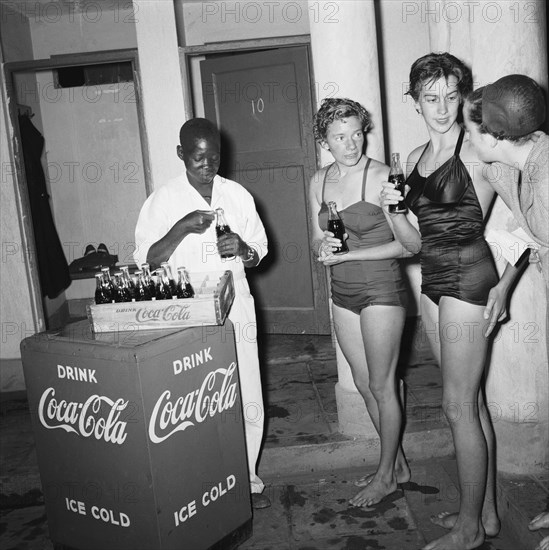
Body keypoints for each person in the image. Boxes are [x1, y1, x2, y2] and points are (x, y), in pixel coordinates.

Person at [381, 53, 504, 550]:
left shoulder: (476, 151)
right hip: (432, 277)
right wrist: (393, 212)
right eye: (431, 98)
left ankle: (469, 530)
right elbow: (412, 242)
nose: (443, 107)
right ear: (414, 101)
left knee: (457, 408)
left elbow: (525, 219)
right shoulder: (411, 160)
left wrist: (506, 283)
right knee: (470, 402)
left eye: (452, 96)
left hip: (470, 278)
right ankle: (487, 513)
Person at [134, 118, 271, 509]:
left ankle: (247, 480)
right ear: (181, 155)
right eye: (198, 158)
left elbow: (260, 252)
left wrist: (243, 248)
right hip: (184, 310)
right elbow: (145, 261)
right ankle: (195, 483)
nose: (208, 165)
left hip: (236, 305)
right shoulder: (162, 200)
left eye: (214, 156)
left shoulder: (238, 195)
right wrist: (180, 229)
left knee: (245, 388)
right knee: (193, 395)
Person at [308, 97, 412, 508]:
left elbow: (407, 246)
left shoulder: (383, 176)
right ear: (324, 141)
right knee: (366, 383)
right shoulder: (318, 180)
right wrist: (323, 249)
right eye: (340, 137)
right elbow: (316, 238)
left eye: (356, 134)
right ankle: (398, 464)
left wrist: (348, 254)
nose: (352, 145)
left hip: (381, 290)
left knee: (384, 386)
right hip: (343, 293)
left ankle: (385, 476)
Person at [462, 74, 548, 550]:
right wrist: (502, 284)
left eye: (471, 132)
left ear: (493, 135)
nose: (466, 141)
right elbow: (525, 228)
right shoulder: (524, 156)